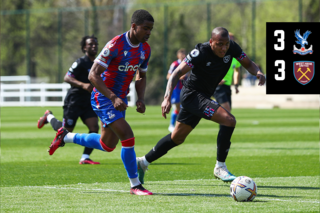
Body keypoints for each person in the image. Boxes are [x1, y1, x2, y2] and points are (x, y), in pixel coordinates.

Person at [136, 27, 265, 184]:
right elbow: (176, 73)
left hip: (203, 97)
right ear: (211, 42)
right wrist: (167, 97)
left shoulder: (232, 48)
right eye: (219, 44)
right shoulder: (200, 52)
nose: (224, 48)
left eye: (226, 44)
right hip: (192, 95)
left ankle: (142, 162)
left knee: (177, 137)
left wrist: (257, 72)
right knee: (229, 120)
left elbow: (248, 63)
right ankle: (220, 167)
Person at [47, 9, 154, 195]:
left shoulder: (145, 49)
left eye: (151, 29)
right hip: (103, 97)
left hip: (118, 100)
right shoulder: (115, 44)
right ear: (134, 26)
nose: (149, 33)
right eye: (145, 28)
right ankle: (135, 185)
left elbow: (141, 75)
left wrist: (141, 98)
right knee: (127, 136)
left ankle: (65, 136)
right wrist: (113, 97)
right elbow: (92, 75)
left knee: (107, 145)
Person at [37, 35, 100, 165]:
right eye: (90, 44)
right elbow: (67, 77)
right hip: (74, 100)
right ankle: (48, 116)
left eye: (95, 44)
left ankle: (85, 157)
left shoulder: (98, 64)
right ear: (84, 47)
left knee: (94, 127)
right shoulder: (80, 62)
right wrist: (83, 85)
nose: (94, 46)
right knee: (66, 132)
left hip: (88, 101)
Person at [213, 32, 241, 112]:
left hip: (227, 86)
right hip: (218, 86)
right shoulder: (220, 53)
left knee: (227, 113)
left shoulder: (235, 56)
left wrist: (236, 84)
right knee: (226, 111)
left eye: (232, 39)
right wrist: (216, 79)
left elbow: (237, 70)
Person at [166, 48, 188, 132]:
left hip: (184, 89)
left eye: (184, 53)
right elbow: (168, 76)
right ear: (178, 55)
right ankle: (172, 125)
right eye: (181, 54)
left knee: (183, 108)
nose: (183, 55)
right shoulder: (175, 64)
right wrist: (178, 77)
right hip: (176, 89)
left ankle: (179, 125)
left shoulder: (187, 64)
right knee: (177, 107)